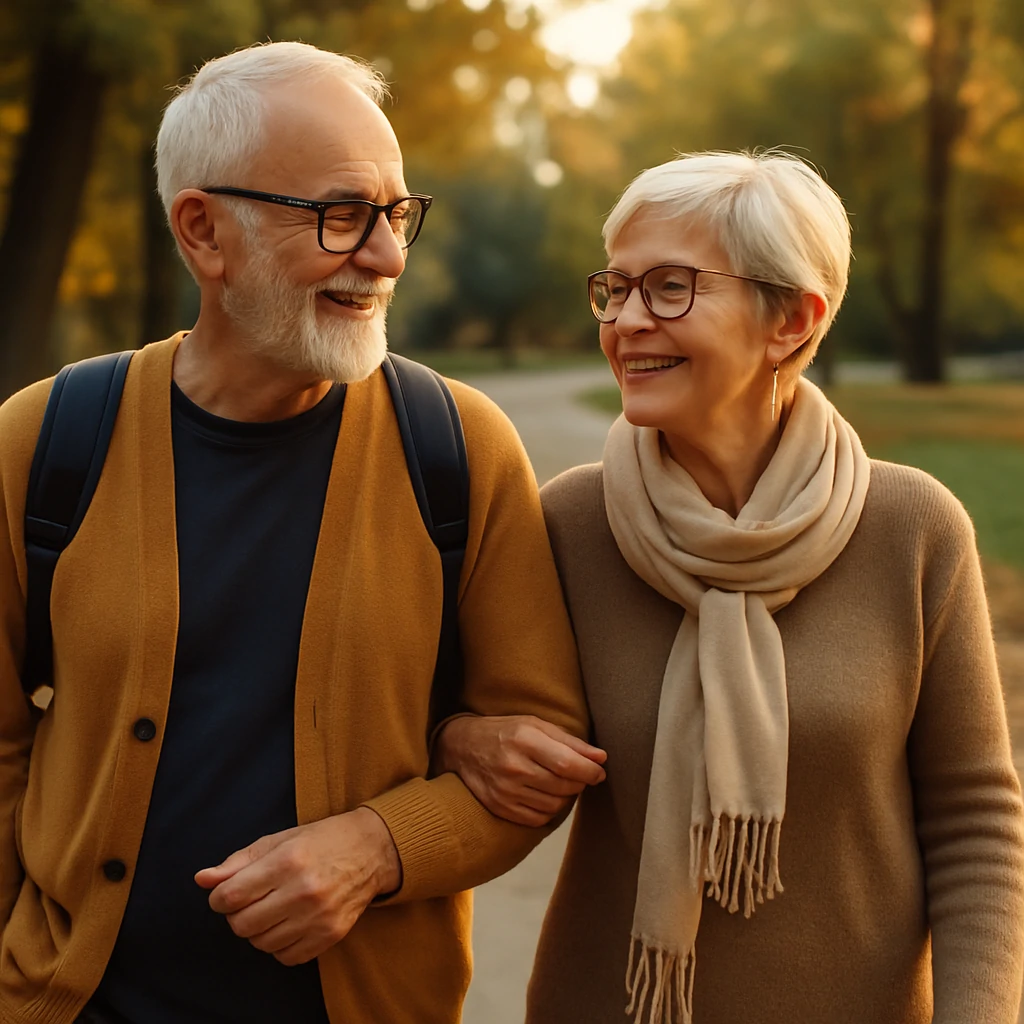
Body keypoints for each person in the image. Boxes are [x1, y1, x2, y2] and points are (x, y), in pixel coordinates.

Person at [0, 41, 602, 1024]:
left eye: (397, 213)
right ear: (204, 232)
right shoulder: (43, 442)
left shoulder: (456, 450)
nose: (388, 256)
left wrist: (377, 843)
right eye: (341, 215)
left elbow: (539, 760)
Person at [436, 151, 1024, 1023]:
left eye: (670, 288)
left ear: (792, 318)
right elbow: (451, 727)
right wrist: (460, 734)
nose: (628, 321)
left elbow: (976, 825)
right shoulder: (567, 523)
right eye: (617, 288)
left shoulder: (912, 528)